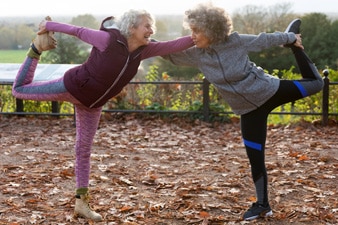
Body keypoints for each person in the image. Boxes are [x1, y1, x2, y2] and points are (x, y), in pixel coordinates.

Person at [12, 10, 194, 222]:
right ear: (132, 27)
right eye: (146, 25)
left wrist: (195, 38)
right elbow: (77, 31)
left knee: (83, 150)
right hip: (72, 86)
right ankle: (35, 49)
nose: (151, 30)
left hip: (93, 104)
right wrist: (48, 26)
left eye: (151, 26)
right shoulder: (108, 39)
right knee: (20, 90)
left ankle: (81, 203)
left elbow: (172, 45)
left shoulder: (143, 50)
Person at [162, 3, 324, 221]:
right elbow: (169, 55)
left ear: (211, 29)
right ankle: (262, 205)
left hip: (269, 90)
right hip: (248, 111)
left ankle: (297, 47)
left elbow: (263, 40)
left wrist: (289, 38)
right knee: (255, 157)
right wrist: (143, 45)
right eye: (191, 30)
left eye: (196, 30)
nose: (192, 36)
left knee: (317, 83)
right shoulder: (197, 55)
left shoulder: (234, 41)